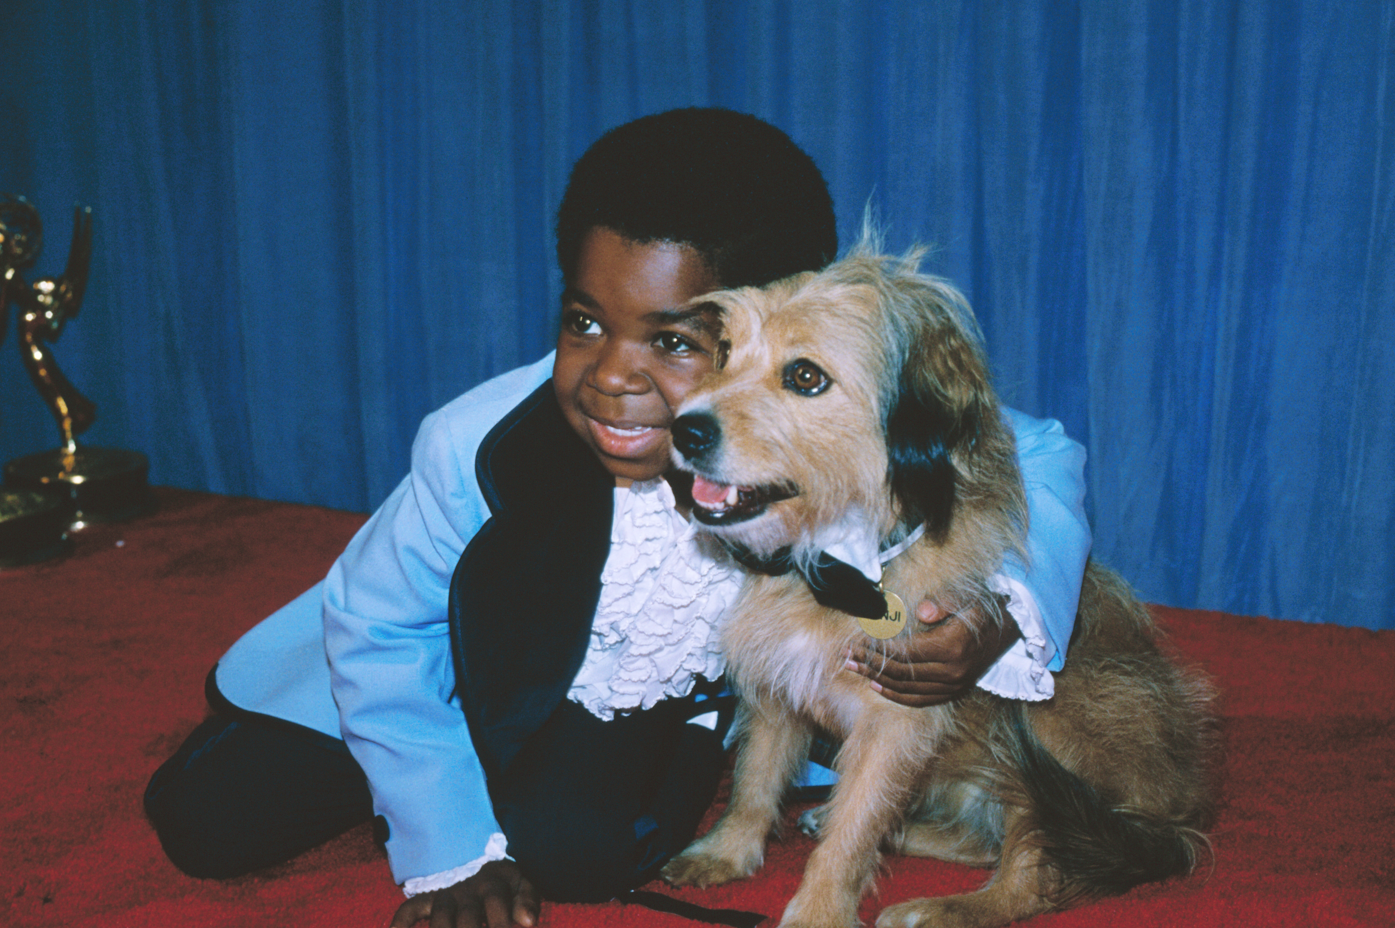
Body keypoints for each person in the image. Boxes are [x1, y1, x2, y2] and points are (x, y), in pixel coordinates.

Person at [144, 108, 1090, 928]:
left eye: (678, 341)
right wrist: (448, 847)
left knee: (582, 859)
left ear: (771, 319)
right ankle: (427, 762)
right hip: (414, 673)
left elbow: (1035, 451)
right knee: (206, 820)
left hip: (624, 704)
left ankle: (519, 779)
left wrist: (1000, 607)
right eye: (584, 320)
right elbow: (378, 624)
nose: (612, 377)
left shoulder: (814, 404)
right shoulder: (473, 443)